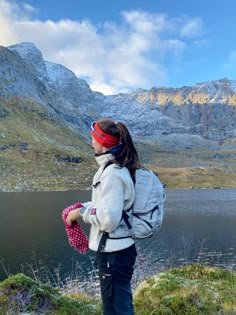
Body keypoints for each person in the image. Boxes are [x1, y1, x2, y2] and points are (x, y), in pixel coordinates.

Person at [66, 117, 141, 315]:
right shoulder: (112, 169)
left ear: (103, 142)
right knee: (119, 302)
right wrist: (84, 207)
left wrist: (81, 213)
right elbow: (106, 205)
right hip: (117, 251)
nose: (91, 141)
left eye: (93, 138)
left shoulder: (112, 174)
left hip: (113, 254)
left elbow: (109, 219)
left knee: (115, 307)